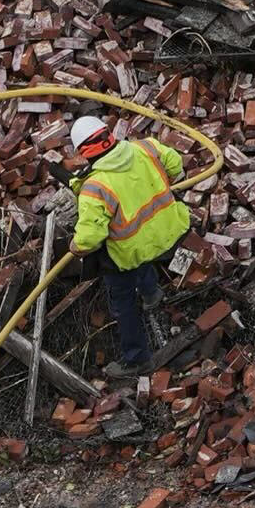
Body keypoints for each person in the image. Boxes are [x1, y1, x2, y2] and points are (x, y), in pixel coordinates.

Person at [63, 114, 193, 377]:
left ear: (84, 151)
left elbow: (90, 239)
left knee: (121, 300)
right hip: (165, 234)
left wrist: (74, 246)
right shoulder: (147, 147)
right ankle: (152, 293)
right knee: (143, 257)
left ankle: (137, 359)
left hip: (130, 252)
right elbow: (176, 166)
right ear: (108, 135)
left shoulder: (95, 187)